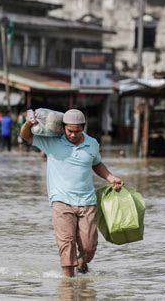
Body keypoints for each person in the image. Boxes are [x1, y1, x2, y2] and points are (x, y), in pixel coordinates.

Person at [20, 109, 123, 277]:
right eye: (69, 131)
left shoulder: (92, 143)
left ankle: (82, 264)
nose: (73, 135)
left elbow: (96, 163)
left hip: (87, 202)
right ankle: (68, 286)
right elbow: (26, 136)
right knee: (66, 244)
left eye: (77, 131)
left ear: (83, 128)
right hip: (61, 201)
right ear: (63, 127)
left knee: (89, 247)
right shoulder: (52, 142)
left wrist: (110, 177)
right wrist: (28, 123)